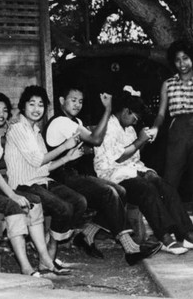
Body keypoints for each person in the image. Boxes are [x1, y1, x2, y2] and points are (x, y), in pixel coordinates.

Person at [46, 85, 161, 265]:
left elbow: (88, 144)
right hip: (61, 177)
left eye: (80, 101)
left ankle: (86, 234)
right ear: (61, 101)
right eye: (73, 100)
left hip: (73, 173)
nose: (77, 104)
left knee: (121, 191)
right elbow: (96, 139)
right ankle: (129, 247)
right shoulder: (61, 121)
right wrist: (107, 109)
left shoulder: (75, 122)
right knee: (109, 192)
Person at [93, 86, 193, 255]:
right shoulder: (109, 126)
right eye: (135, 117)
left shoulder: (129, 129)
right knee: (146, 189)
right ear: (126, 111)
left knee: (165, 185)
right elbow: (118, 158)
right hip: (112, 174)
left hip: (130, 170)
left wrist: (142, 145)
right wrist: (140, 141)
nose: (136, 121)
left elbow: (134, 157)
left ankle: (187, 234)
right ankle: (164, 237)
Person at [0, 92, 67, 277]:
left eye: (5, 110)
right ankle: (26, 267)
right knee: (14, 205)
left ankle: (45, 259)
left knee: (33, 200)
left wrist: (7, 127)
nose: (1, 113)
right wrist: (13, 194)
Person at [4, 85, 87, 267]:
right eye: (31, 104)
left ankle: (50, 242)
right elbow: (36, 160)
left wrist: (67, 158)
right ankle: (47, 256)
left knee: (80, 201)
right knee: (63, 208)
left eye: (40, 105)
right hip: (23, 186)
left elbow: (46, 167)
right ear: (23, 107)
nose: (36, 109)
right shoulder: (17, 129)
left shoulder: (36, 132)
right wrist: (65, 146)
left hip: (42, 181)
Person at [150, 40, 193, 235]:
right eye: (178, 60)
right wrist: (155, 128)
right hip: (177, 131)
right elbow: (162, 114)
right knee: (171, 179)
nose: (182, 63)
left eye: (185, 58)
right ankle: (171, 222)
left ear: (192, 59)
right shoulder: (168, 84)